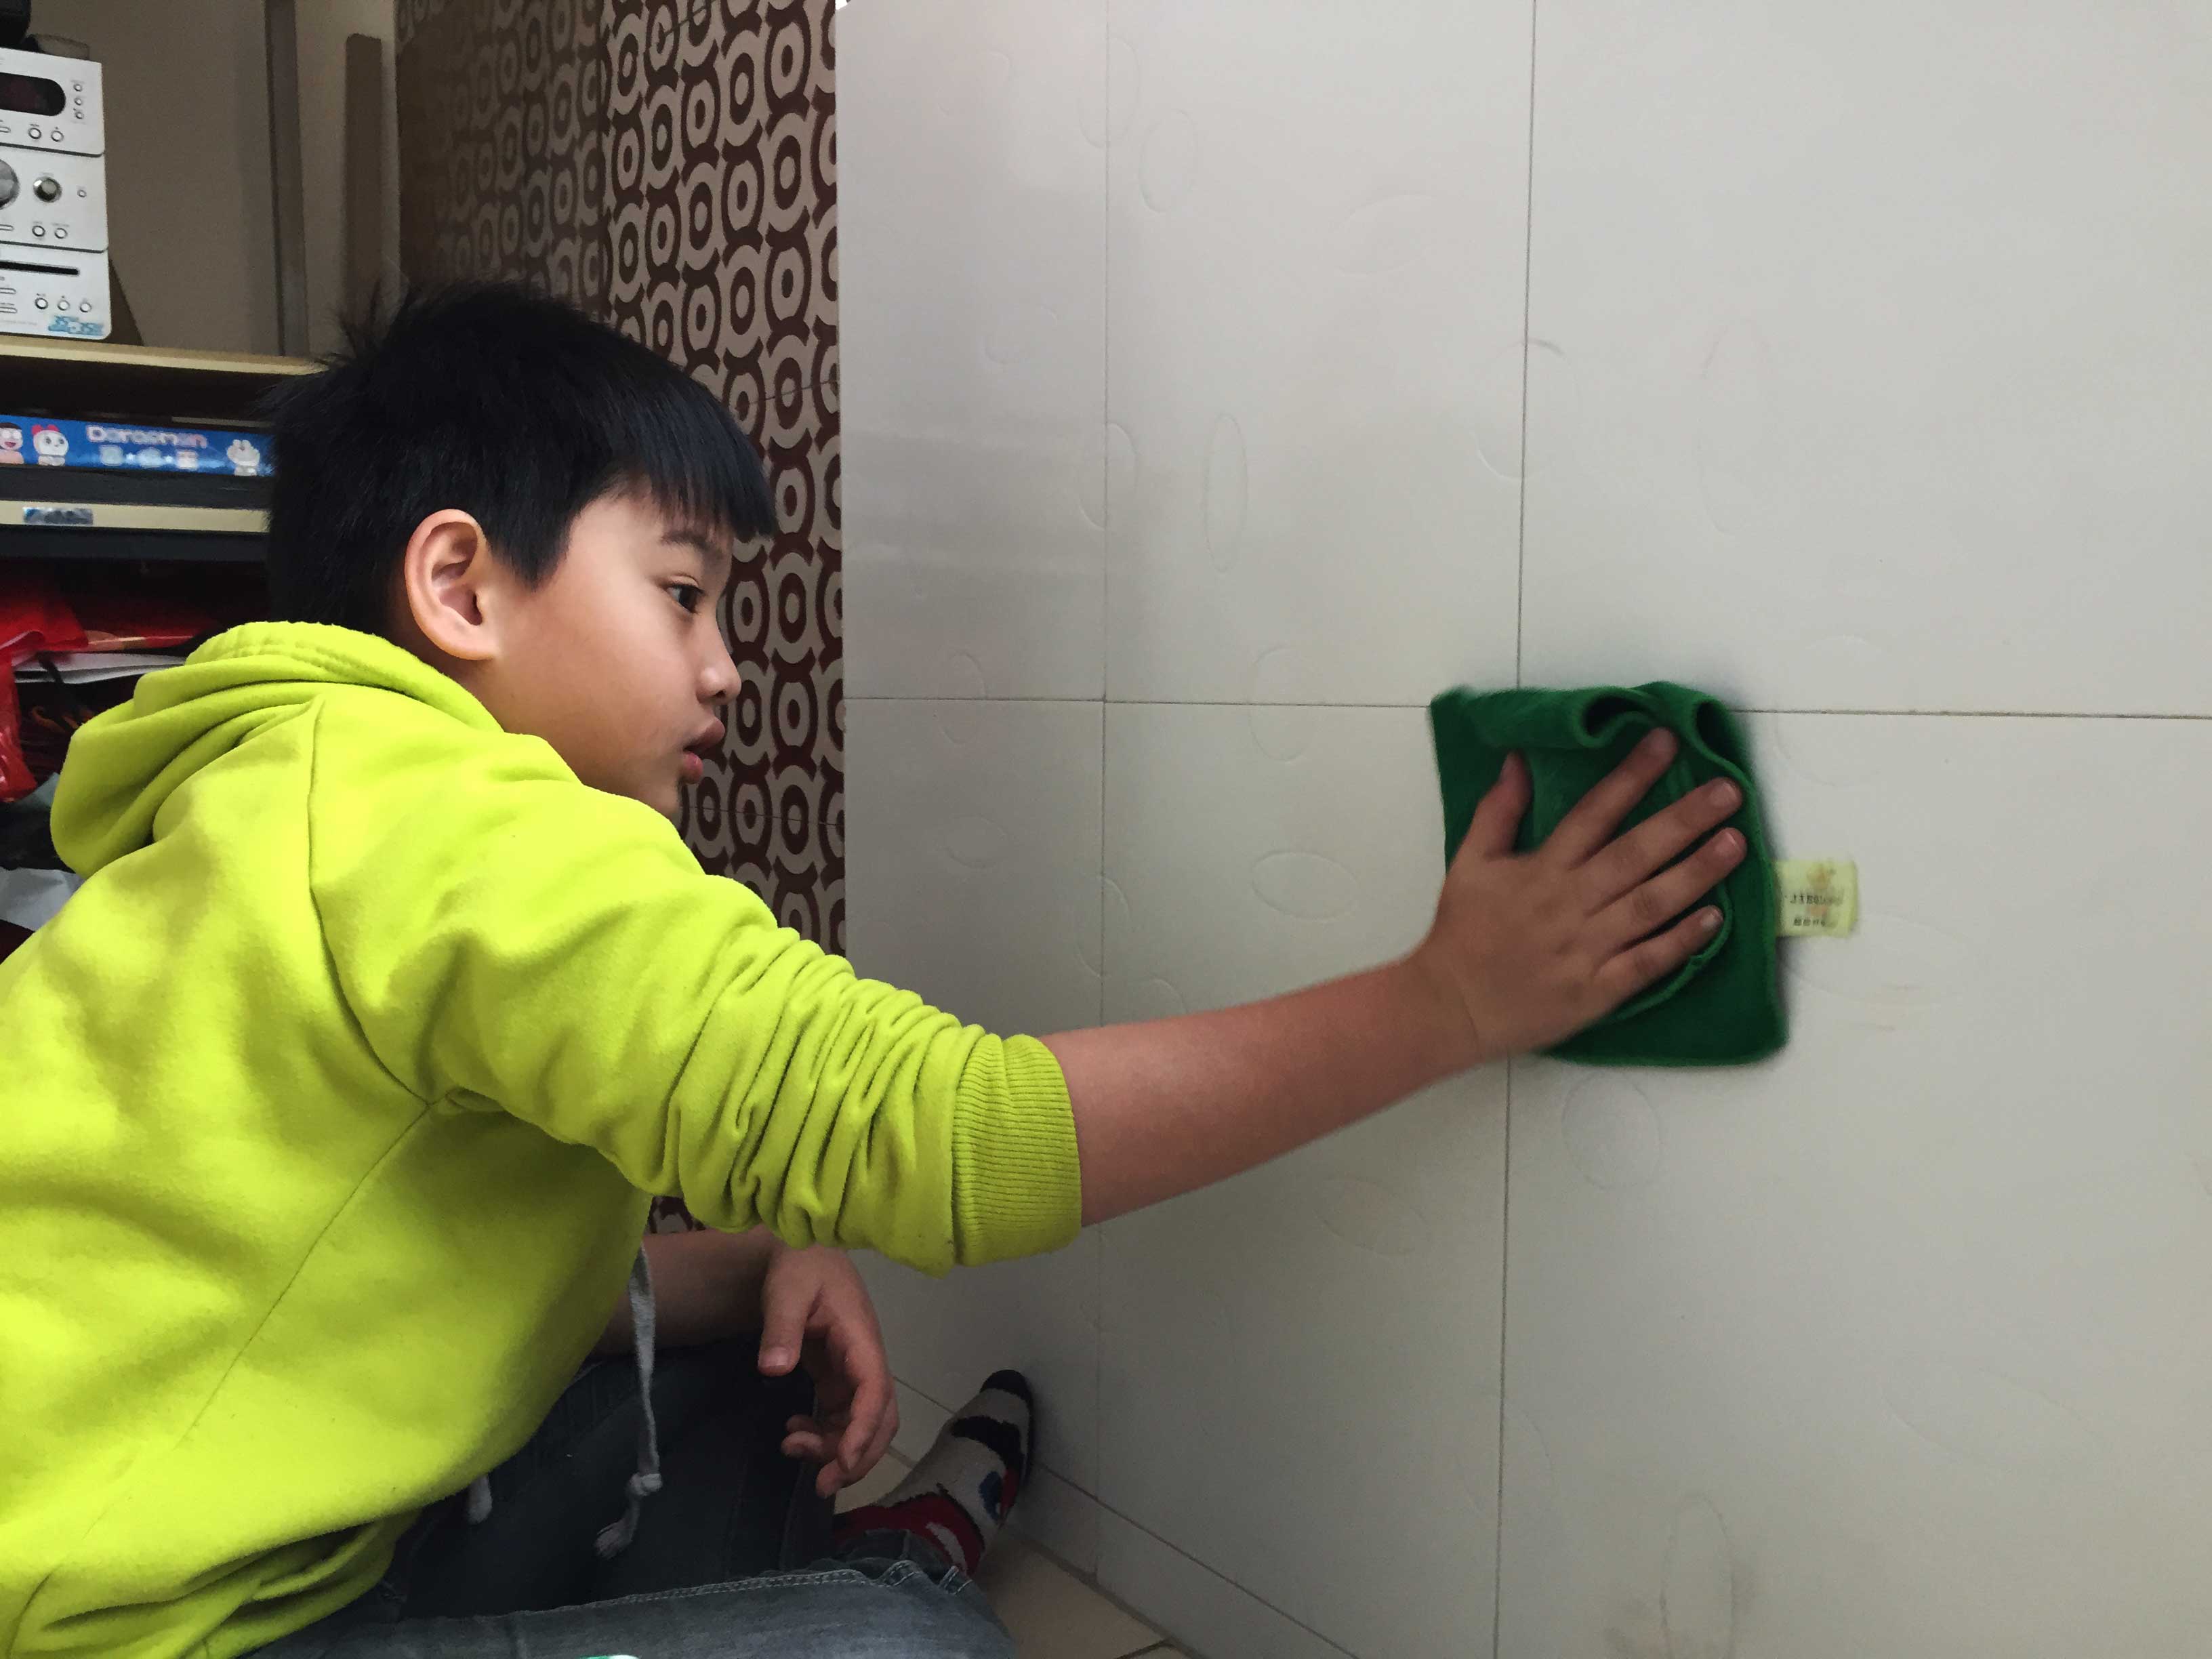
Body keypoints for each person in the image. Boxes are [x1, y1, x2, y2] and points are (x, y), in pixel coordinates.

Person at [0, 285, 1748, 1659]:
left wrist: (758, 1255)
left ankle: (843, 1564)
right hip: (120, 1634)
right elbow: (945, 1132)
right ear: (460, 585)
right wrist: (1450, 1001)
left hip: (155, 1543)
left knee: (746, 1383)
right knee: (907, 1648)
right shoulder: (455, 822)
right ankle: (889, 1578)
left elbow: (351, 1269)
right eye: (681, 594)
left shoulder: (278, 798)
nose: (726, 668)